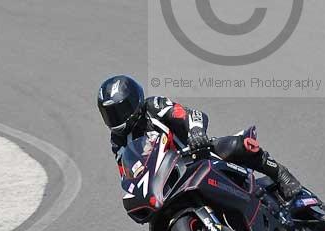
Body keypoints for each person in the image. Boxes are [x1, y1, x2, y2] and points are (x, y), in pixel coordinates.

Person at [97, 75, 303, 207]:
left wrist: (196, 132)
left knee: (235, 145)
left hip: (196, 154)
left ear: (135, 101)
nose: (117, 117)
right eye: (110, 114)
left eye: (120, 110)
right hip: (167, 180)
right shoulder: (118, 140)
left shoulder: (153, 106)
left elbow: (188, 114)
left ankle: (282, 174)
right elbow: (126, 171)